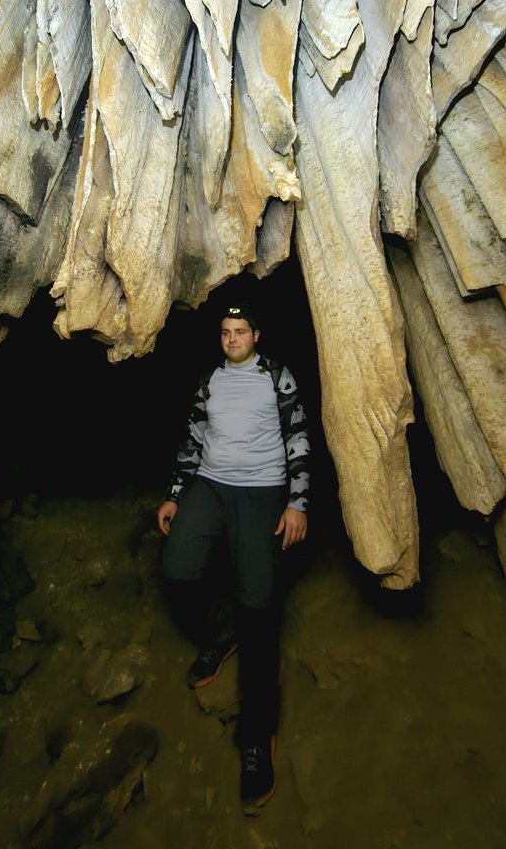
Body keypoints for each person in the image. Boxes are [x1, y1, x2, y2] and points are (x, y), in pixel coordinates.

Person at [156, 303, 311, 814]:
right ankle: (221, 635)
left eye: (240, 331)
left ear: (256, 334)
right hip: (210, 485)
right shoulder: (209, 381)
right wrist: (177, 492)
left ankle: (255, 738)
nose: (232, 339)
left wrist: (297, 502)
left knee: (259, 602)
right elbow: (193, 438)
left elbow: (299, 439)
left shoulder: (277, 377)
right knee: (178, 568)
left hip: (263, 489)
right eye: (225, 332)